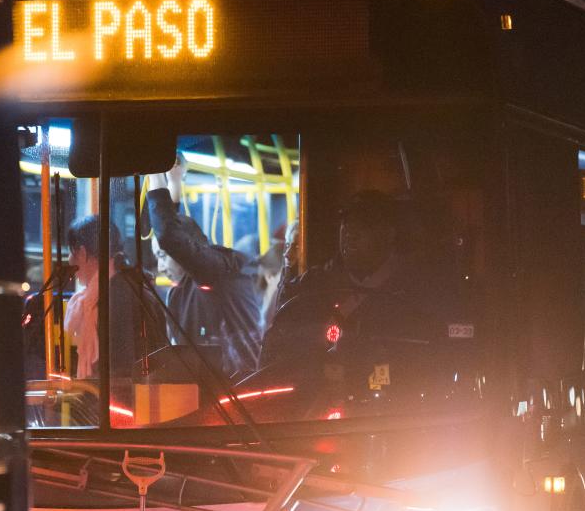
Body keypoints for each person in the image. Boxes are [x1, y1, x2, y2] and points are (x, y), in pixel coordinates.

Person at [260, 189, 430, 367]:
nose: (350, 233)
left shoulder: (413, 290)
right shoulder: (313, 285)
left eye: (364, 224)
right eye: (346, 223)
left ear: (389, 233)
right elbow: (279, 344)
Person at [147, 162, 262, 378]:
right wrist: (174, 182)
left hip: (238, 388)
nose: (160, 267)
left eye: (162, 257)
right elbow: (174, 234)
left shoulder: (220, 270)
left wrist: (155, 172)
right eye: (157, 258)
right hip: (202, 389)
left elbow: (171, 238)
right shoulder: (180, 290)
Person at [61, 216, 165, 380]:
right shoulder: (125, 284)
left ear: (82, 252)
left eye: (70, 251)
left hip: (124, 400)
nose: (69, 260)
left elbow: (120, 368)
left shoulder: (115, 295)